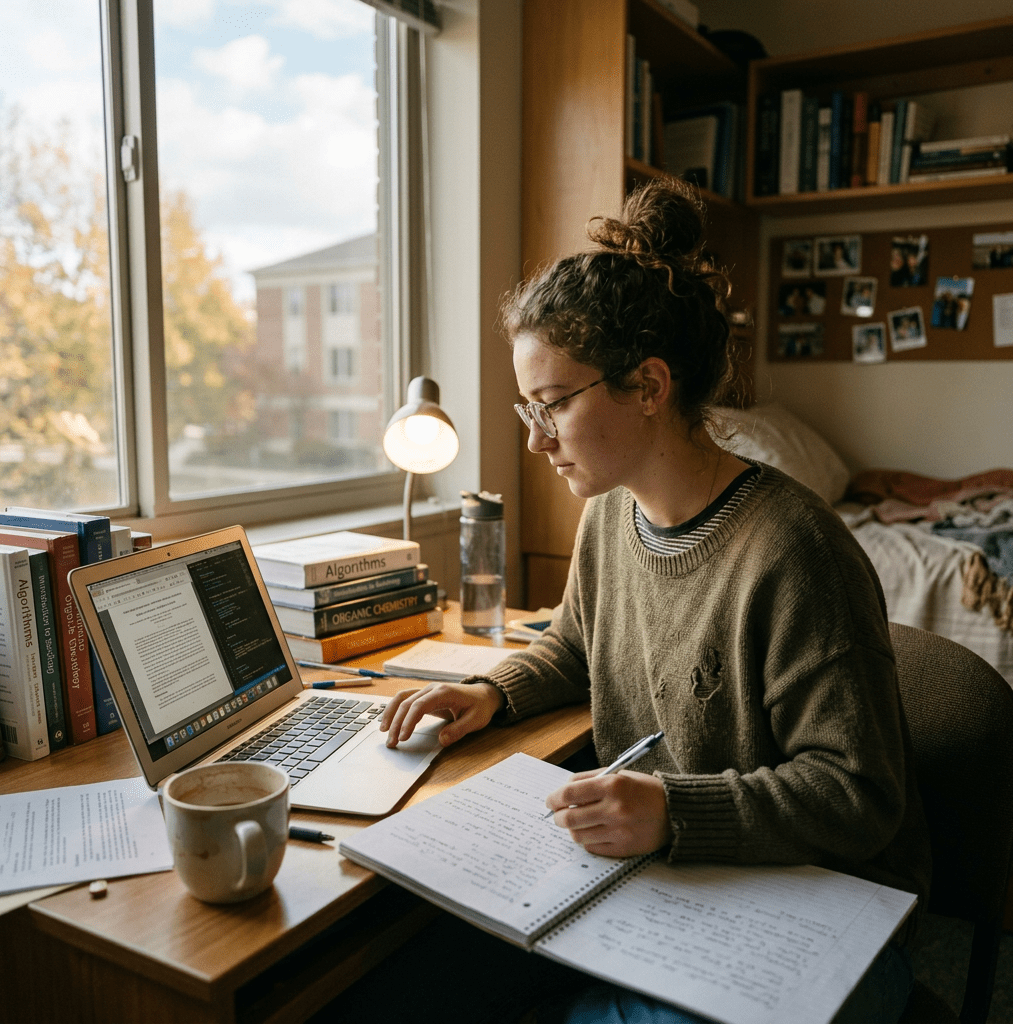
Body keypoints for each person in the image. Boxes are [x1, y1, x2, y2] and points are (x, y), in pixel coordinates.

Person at [377, 177, 931, 1024]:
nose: (535, 438)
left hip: (818, 907)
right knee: (408, 983)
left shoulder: (794, 550)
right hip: (681, 876)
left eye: (552, 404)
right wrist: (493, 693)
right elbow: (574, 646)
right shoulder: (612, 515)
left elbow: (858, 794)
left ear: (648, 386)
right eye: (528, 407)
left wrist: (674, 809)